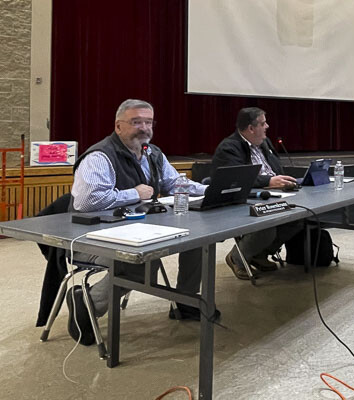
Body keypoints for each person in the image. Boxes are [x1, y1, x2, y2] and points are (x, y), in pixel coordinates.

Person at [68, 99, 211, 345]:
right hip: (92, 239)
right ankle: (87, 302)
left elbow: (174, 183)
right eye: (136, 122)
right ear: (118, 126)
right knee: (142, 261)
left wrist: (209, 190)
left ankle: (185, 301)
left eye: (148, 122)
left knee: (197, 240)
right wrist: (135, 193)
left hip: (138, 229)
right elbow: (86, 202)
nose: (144, 128)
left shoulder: (153, 153)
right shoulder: (100, 156)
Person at [212, 107, 303, 279]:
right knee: (267, 226)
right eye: (263, 123)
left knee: (298, 218)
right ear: (250, 128)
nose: (267, 126)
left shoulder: (264, 142)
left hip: (272, 195)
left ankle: (258, 254)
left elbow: (276, 169)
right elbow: (236, 178)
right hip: (244, 200)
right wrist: (268, 181)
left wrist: (281, 181)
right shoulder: (229, 148)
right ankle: (236, 258)